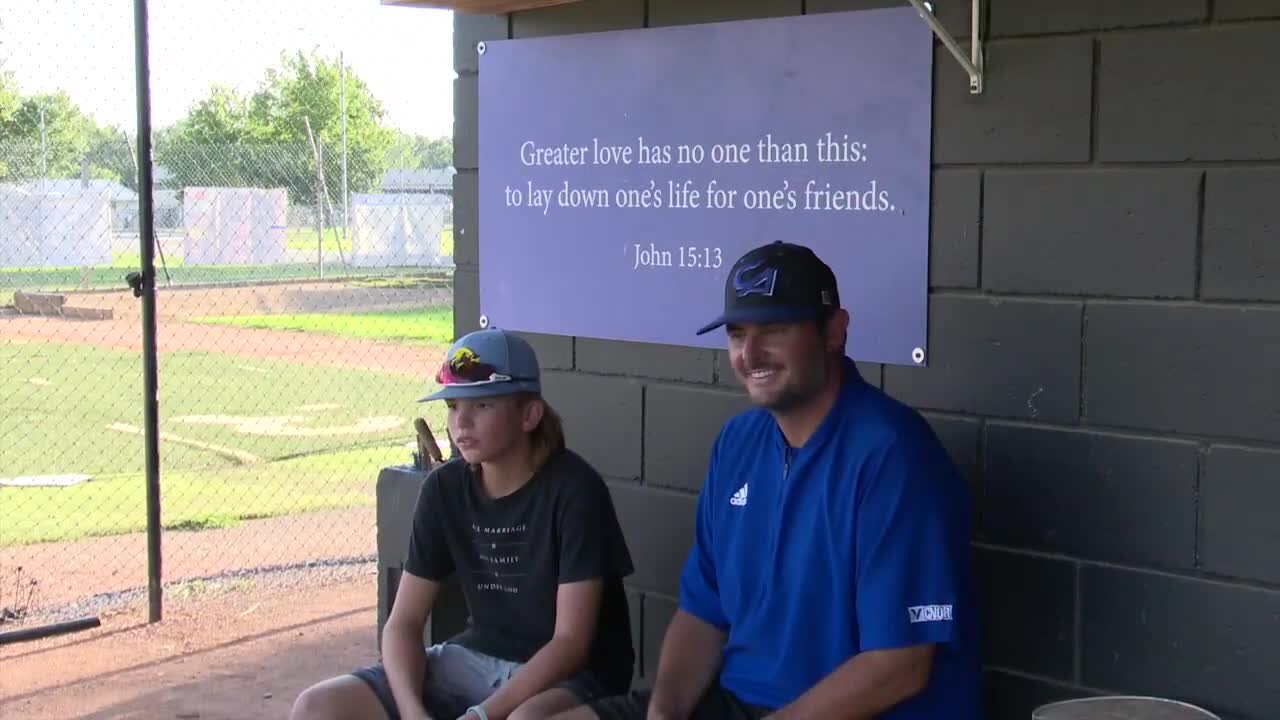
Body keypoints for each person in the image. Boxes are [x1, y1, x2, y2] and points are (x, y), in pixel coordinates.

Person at [550, 241, 983, 720]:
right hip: (737, 703)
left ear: (835, 332)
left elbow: (901, 665)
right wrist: (664, 712)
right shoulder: (737, 443)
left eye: (774, 329)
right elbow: (703, 613)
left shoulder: (894, 455)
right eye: (737, 334)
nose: (749, 353)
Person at [292, 328, 637, 720]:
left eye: (483, 406)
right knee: (316, 706)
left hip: (572, 673)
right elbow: (403, 623)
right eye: (454, 406)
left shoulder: (574, 490)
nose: (462, 423)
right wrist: (410, 711)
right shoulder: (445, 488)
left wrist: (482, 715)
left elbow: (571, 642)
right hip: (476, 657)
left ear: (529, 414)